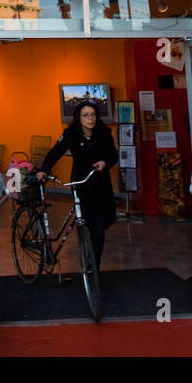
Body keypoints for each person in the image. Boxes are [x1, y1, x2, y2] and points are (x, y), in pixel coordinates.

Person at [36, 101, 119, 270]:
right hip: (81, 184)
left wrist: (105, 162)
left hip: (101, 184)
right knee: (95, 228)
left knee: (105, 220)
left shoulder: (104, 133)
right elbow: (55, 153)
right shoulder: (71, 134)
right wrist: (44, 170)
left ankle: (93, 261)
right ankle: (93, 267)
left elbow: (113, 155)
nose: (91, 118)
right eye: (86, 115)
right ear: (78, 118)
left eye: (93, 115)